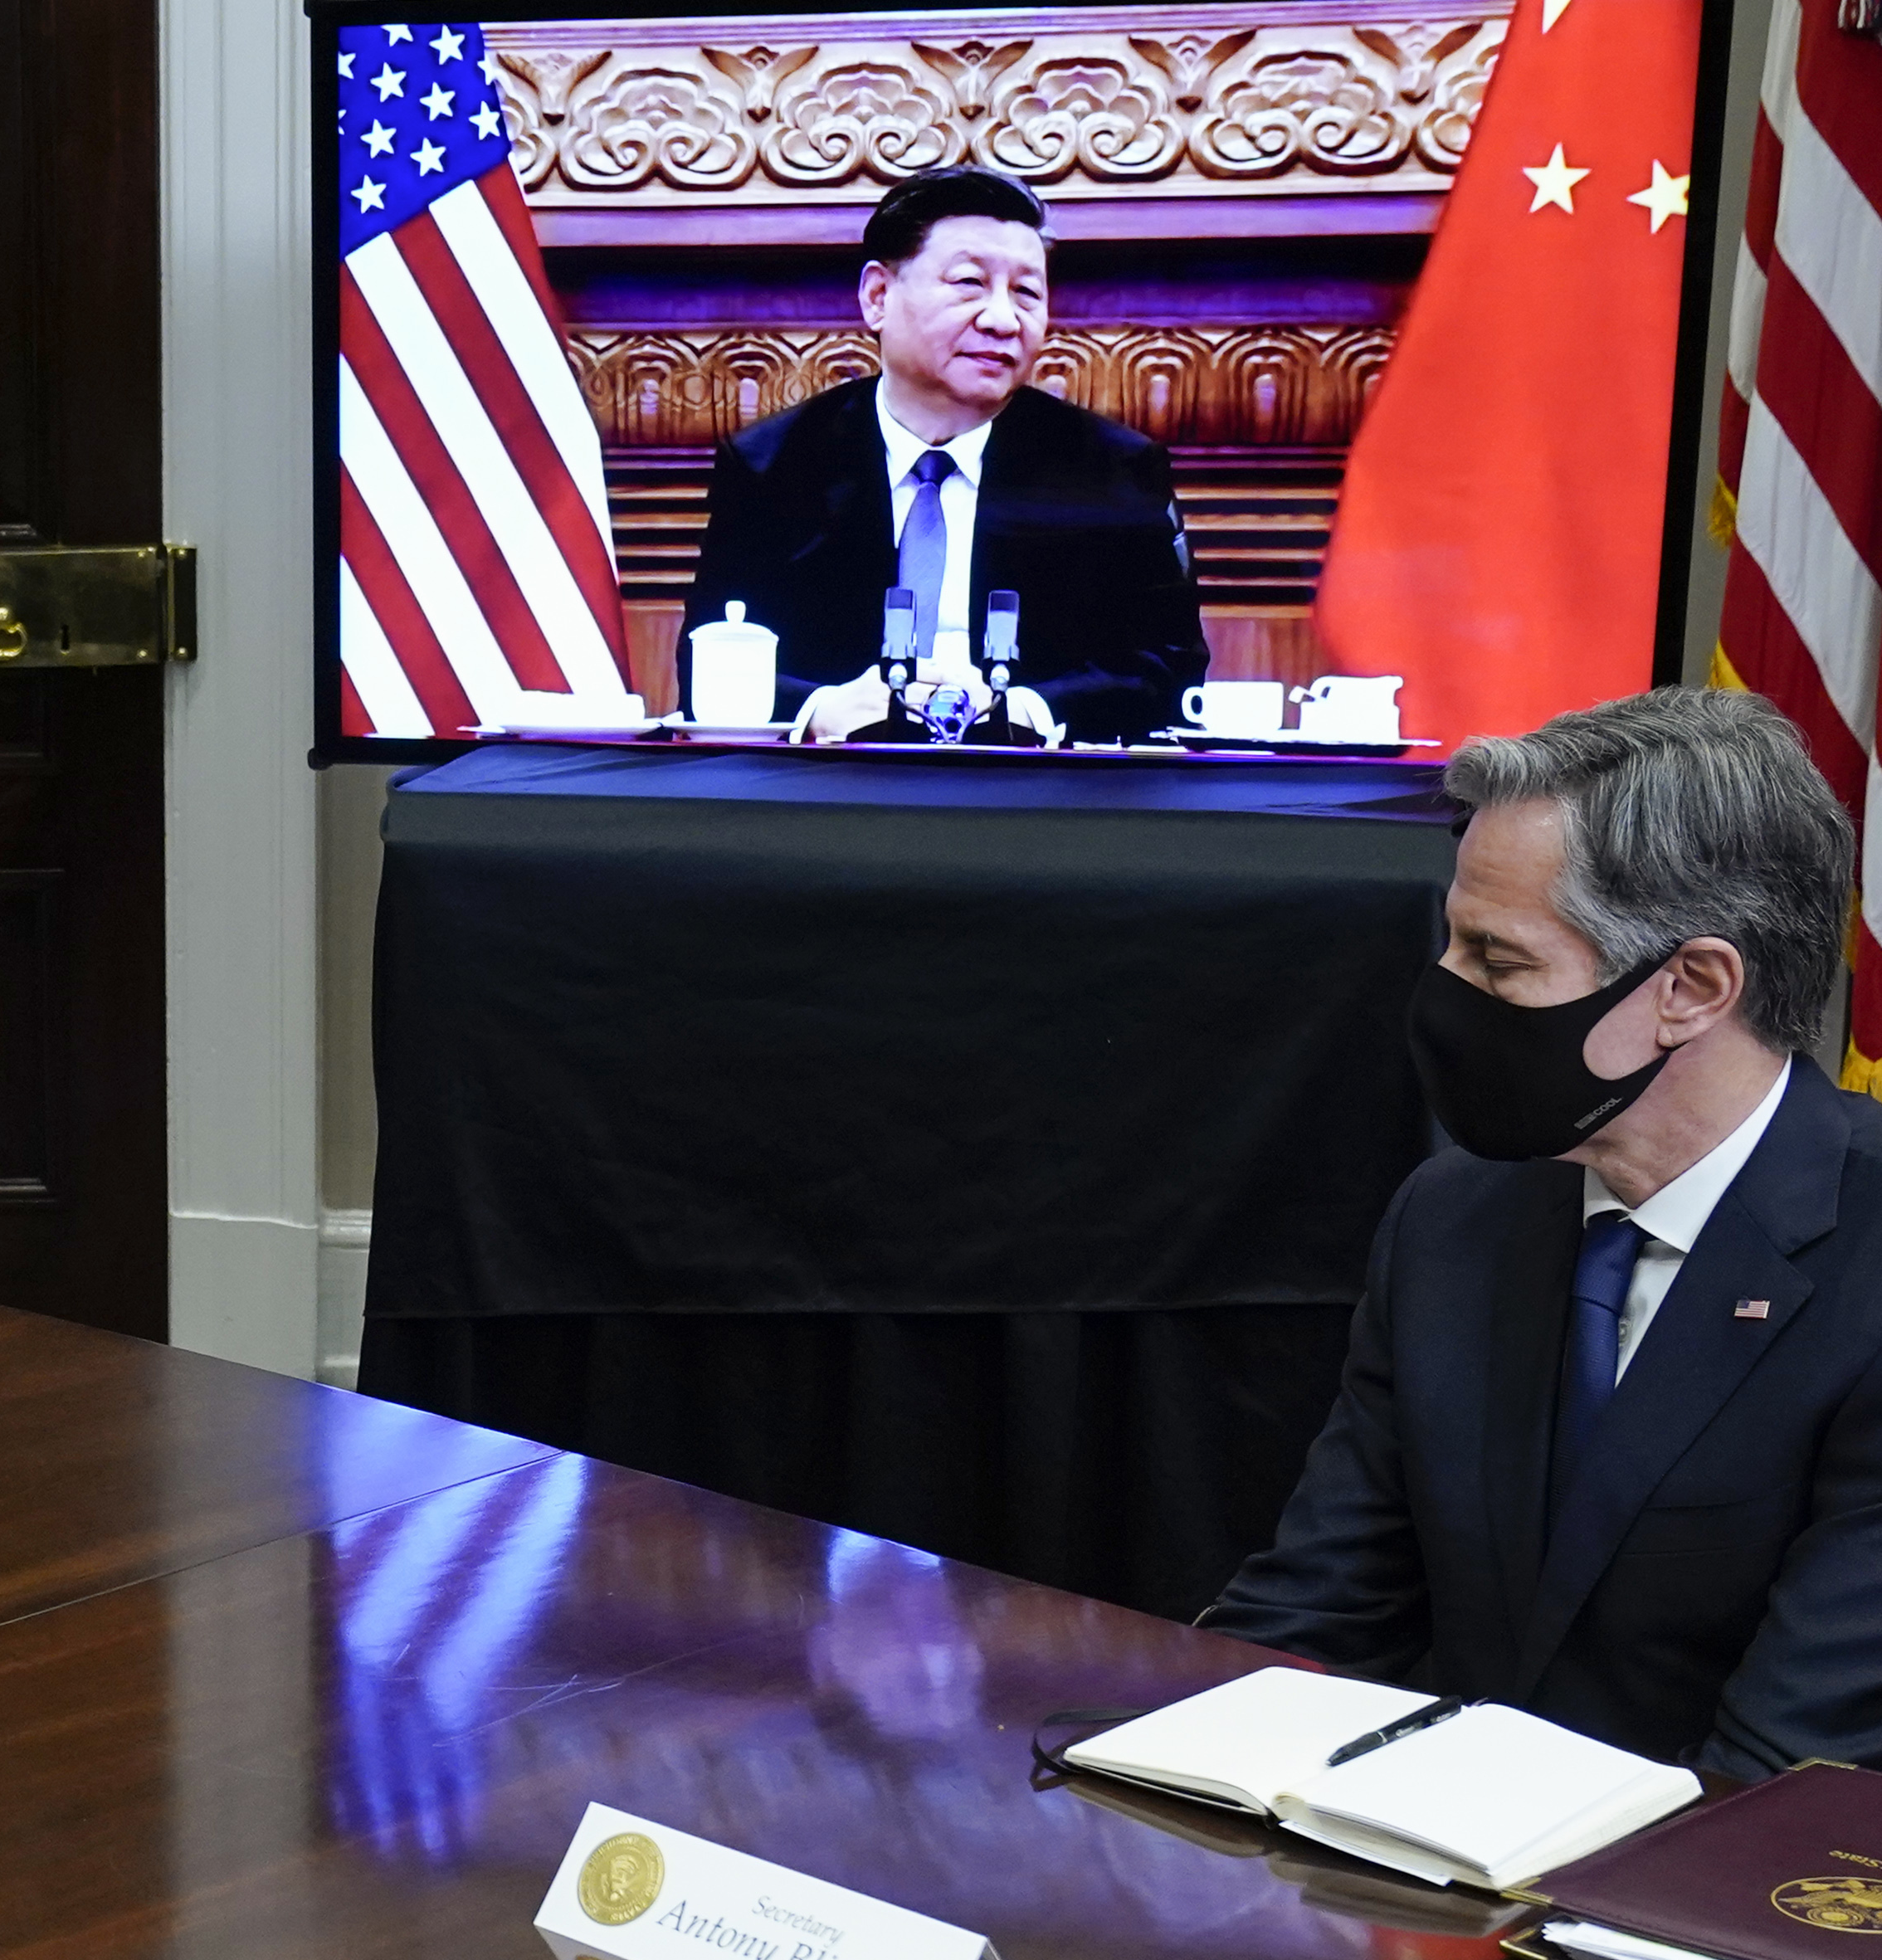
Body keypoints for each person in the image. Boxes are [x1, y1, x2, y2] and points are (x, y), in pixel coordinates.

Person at [1203, 687, 1882, 1773]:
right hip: (1419, 1878)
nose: (1443, 991)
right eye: (1451, 945)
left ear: (1691, 987)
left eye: (1497, 960)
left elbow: (1783, 1763)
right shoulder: (1454, 1214)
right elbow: (1316, 1614)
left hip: (1702, 1907)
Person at [678, 164, 1209, 744]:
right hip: (827, 798)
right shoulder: (773, 465)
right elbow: (709, 659)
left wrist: (1029, 710)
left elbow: (1170, 666)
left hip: (1040, 804)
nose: (1004, 320)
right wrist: (820, 709)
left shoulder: (1113, 471)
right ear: (878, 297)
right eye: (968, 284)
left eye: (1028, 293)